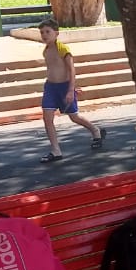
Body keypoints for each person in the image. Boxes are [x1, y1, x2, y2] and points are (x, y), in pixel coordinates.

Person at [36, 18, 105, 163]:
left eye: (47, 32)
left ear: (56, 33)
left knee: (74, 117)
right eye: (42, 32)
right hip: (50, 87)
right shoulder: (46, 50)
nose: (44, 35)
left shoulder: (63, 49)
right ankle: (56, 151)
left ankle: (95, 130)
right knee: (47, 118)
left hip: (64, 87)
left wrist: (70, 89)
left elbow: (71, 69)